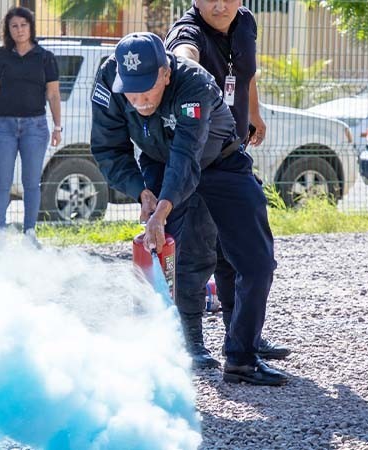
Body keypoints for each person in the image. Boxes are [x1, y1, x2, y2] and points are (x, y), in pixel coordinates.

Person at [91, 32, 287, 386]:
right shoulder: (108, 79)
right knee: (165, 259)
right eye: (130, 91)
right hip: (160, 163)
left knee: (256, 262)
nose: (138, 100)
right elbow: (109, 150)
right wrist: (142, 193)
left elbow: (187, 156)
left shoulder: (194, 83)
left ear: (166, 73)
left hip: (219, 161)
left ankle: (242, 356)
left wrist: (162, 206)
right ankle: (161, 353)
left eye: (147, 89)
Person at [165, 0, 291, 364]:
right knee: (197, 252)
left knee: (234, 253)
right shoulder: (187, 33)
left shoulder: (245, 22)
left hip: (230, 151)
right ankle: (191, 343)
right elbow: (182, 55)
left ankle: (242, 336)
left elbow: (245, 73)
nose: (220, 5)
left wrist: (253, 113)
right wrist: (185, 64)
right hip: (198, 158)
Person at [0, 6, 62, 247]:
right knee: (2, 182)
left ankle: (29, 232)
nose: (19, 30)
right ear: (8, 29)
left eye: (23, 25)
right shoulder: (0, 57)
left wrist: (58, 127)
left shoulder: (45, 57)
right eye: (14, 26)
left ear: (31, 27)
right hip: (3, 126)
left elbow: (54, 95)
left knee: (31, 182)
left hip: (35, 127)